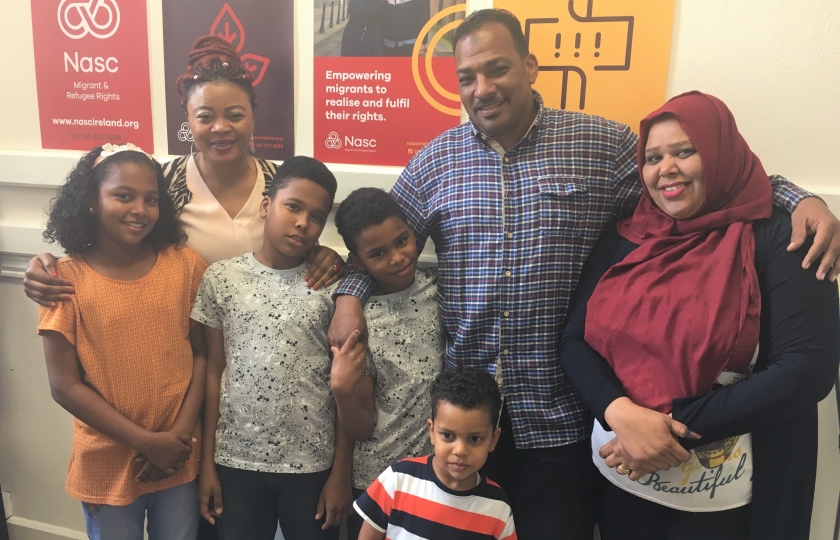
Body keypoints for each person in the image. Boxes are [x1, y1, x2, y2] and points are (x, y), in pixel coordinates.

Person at [328, 8, 840, 539]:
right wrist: (347, 296)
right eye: (466, 77)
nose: (482, 88)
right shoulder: (435, 162)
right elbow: (373, 244)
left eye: (497, 69)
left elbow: (697, 181)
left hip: (564, 421)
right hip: (468, 429)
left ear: (530, 66)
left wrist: (796, 199)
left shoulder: (602, 146)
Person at [22, 35, 352, 533]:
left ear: (254, 114)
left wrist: (328, 254)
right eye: (205, 116)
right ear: (188, 120)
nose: (221, 127)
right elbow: (109, 239)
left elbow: (302, 236)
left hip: (262, 389)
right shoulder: (162, 183)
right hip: (200, 382)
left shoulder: (278, 185)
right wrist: (45, 263)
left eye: (235, 114)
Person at [559, 91, 840, 540]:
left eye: (684, 151)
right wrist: (621, 415)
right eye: (652, 157)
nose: (665, 168)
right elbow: (575, 338)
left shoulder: (783, 238)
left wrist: (665, 432)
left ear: (719, 153)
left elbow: (807, 370)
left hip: (732, 504)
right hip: (623, 483)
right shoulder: (628, 236)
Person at [37, 144, 208, 540]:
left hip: (177, 456)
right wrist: (147, 442)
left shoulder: (184, 265)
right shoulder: (65, 280)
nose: (140, 209)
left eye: (151, 199)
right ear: (92, 201)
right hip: (107, 461)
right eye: (123, 196)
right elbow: (64, 386)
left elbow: (202, 356)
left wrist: (176, 440)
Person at [191, 157, 346, 539]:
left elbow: (347, 384)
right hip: (236, 461)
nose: (302, 223)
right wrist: (207, 463)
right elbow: (213, 371)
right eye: (293, 206)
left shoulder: (333, 285)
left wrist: (341, 471)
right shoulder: (222, 279)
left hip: (312, 463)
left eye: (316, 216)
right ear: (266, 205)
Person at [332, 188, 444, 540]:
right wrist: (343, 391)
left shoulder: (440, 293)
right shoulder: (356, 321)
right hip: (375, 482)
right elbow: (362, 427)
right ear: (359, 262)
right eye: (379, 253)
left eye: (402, 241)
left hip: (436, 476)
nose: (398, 257)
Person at [353, 367, 516, 540]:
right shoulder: (397, 480)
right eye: (447, 436)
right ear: (431, 431)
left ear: (493, 439)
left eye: (475, 439)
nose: (460, 450)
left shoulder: (498, 507)